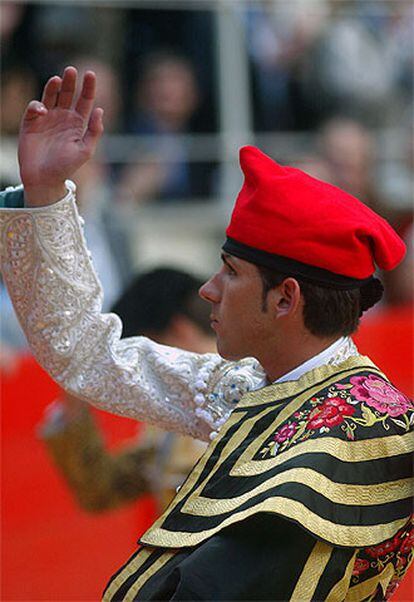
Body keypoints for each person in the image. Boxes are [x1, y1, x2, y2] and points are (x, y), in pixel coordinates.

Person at [0, 67, 412, 601]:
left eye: (231, 272)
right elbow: (88, 352)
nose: (208, 291)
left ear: (286, 298)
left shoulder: (369, 432)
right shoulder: (247, 386)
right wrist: (48, 191)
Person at [39, 267, 213, 512]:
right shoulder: (170, 416)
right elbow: (102, 490)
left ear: (179, 330)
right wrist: (74, 393)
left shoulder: (250, 388)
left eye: (141, 356)